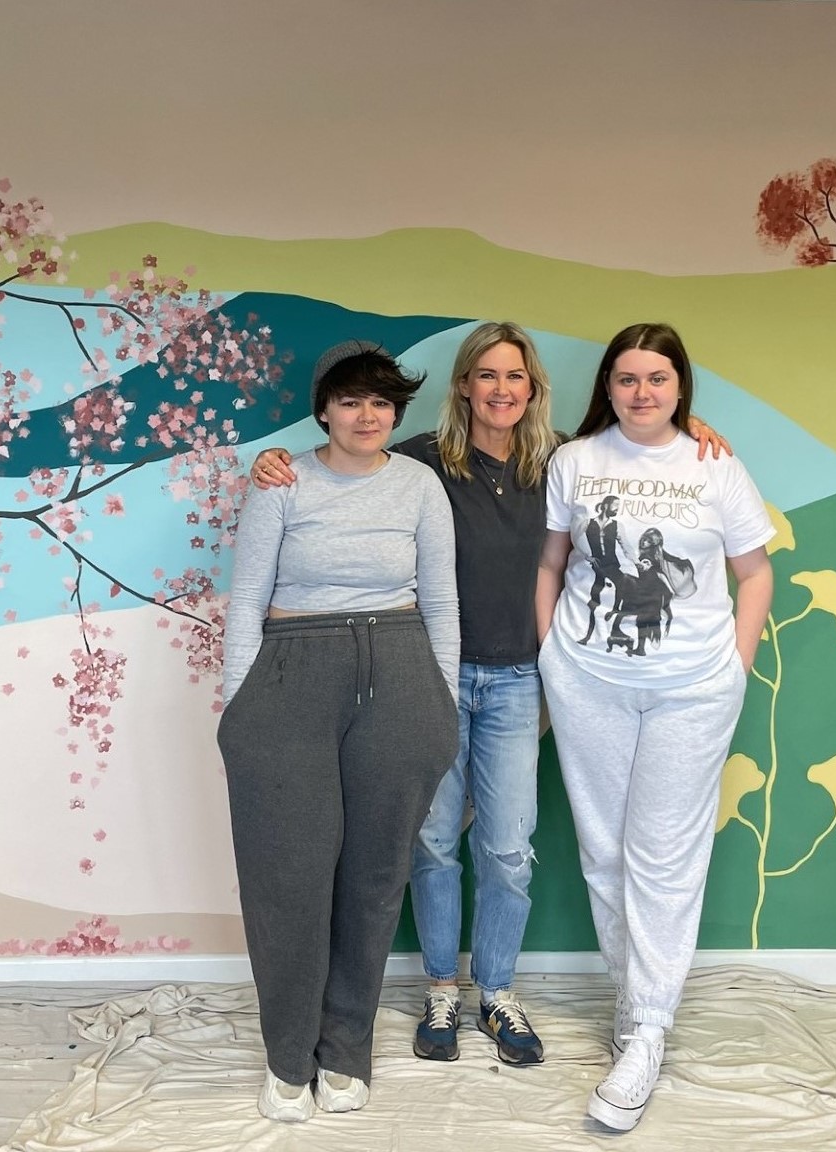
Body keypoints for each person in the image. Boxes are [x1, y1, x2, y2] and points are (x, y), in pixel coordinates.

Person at [250, 322, 730, 1069]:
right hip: (425, 674)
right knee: (434, 844)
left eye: (516, 377)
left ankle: (496, 991)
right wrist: (273, 460)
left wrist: (691, 426)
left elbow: (637, 444)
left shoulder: (565, 463)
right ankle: (442, 987)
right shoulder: (418, 465)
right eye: (486, 376)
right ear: (464, 386)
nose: (501, 389)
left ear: (532, 388)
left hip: (520, 680)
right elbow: (342, 463)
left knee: (506, 848)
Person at [534, 322, 773, 1133]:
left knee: (664, 856)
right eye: (627, 378)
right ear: (607, 386)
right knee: (603, 852)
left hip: (691, 691)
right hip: (589, 683)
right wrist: (550, 657)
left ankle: (648, 1033)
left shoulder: (715, 464)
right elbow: (553, 562)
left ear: (681, 388)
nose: (642, 393)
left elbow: (755, 571)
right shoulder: (576, 461)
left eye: (657, 379)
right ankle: (633, 1004)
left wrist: (733, 667)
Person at [218, 339, 461, 1123]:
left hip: (399, 670)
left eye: (382, 402)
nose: (367, 415)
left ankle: (345, 1049)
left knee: (374, 875)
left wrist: (443, 704)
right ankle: (288, 1056)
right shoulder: (282, 481)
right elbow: (247, 597)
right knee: (287, 877)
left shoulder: (420, 485)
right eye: (352, 400)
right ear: (324, 407)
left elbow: (443, 603)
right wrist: (236, 710)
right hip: (292, 671)